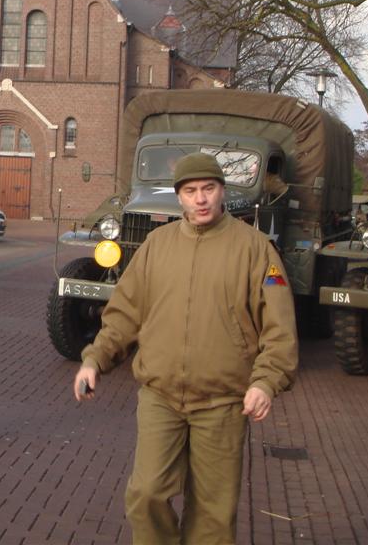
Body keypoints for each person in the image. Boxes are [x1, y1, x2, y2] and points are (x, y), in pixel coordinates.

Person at [73, 152, 298, 545]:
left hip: (223, 402)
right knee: (146, 494)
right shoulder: (156, 245)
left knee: (213, 513)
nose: (201, 198)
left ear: (222, 191)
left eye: (208, 188)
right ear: (179, 197)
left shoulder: (256, 249)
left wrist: (266, 382)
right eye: (191, 191)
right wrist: (95, 359)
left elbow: (280, 328)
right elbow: (124, 314)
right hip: (160, 398)